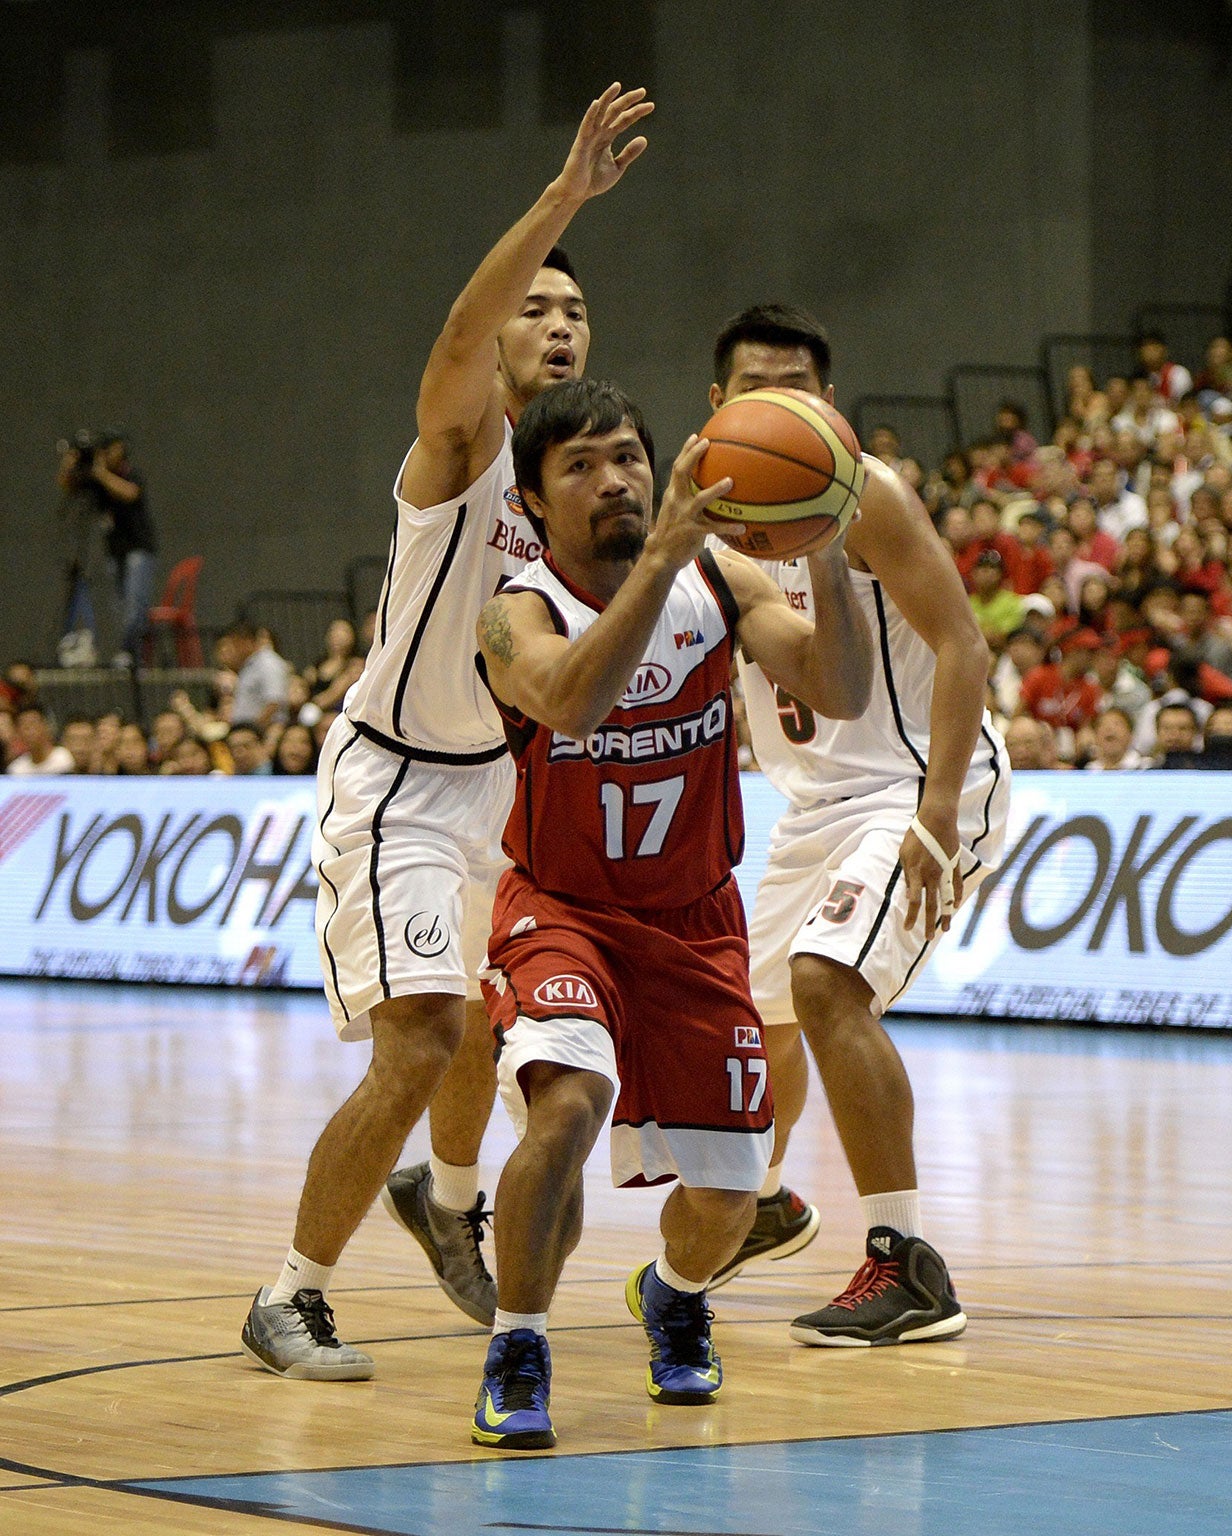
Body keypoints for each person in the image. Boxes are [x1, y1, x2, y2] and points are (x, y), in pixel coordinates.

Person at [241, 84, 655, 1381]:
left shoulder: (576, 481)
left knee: (486, 1025)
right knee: (421, 1036)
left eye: (574, 310)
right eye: (539, 304)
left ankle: (446, 1195)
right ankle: (291, 1294)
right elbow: (465, 326)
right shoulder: (466, 444)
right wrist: (562, 203)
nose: (555, 321)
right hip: (399, 781)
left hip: (500, 793)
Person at [465, 381, 869, 1449]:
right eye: (582, 467)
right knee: (568, 1102)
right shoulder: (515, 611)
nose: (615, 481)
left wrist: (821, 546)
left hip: (695, 920)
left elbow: (839, 687)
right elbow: (572, 702)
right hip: (561, 911)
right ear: (534, 500)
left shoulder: (719, 575)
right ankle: (518, 1341)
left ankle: (675, 1293)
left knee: (730, 1200)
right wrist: (656, 562)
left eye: (628, 458)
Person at [713, 305, 1013, 1346]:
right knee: (753, 1017)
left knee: (825, 982)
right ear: (719, 407)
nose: (781, 404)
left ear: (828, 403)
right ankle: (760, 1201)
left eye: (800, 386)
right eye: (759, 388)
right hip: (815, 802)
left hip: (918, 780)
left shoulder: (866, 495)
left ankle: (905, 1262)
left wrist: (936, 815)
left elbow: (964, 647)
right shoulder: (705, 517)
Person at [56, 430, 156, 667]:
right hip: (116, 552)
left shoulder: (130, 474)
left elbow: (130, 493)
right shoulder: (98, 481)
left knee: (135, 602)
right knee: (120, 606)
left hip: (138, 548)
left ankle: (131, 653)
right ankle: (126, 652)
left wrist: (100, 473)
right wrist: (69, 464)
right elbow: (67, 485)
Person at [6, 706, 73, 775]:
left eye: (33, 724)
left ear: (46, 727)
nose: (29, 733)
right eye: (25, 727)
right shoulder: (17, 769)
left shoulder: (65, 758)